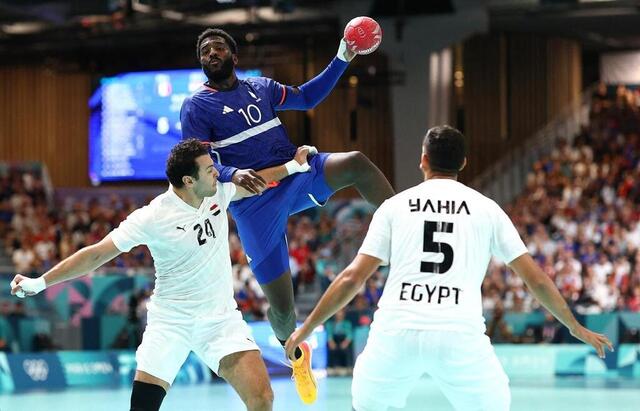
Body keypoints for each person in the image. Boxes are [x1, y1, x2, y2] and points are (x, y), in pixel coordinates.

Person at [285, 125, 614, 411]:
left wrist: (307, 327)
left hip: (397, 331)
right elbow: (535, 278)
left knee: (364, 405)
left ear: (423, 160)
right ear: (464, 163)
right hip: (460, 333)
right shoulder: (488, 210)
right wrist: (573, 326)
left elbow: (353, 276)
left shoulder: (393, 208)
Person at [10, 139, 315, 411]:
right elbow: (97, 253)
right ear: (188, 180)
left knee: (262, 398)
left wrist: (293, 166)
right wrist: (40, 282)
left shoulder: (219, 192)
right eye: (209, 169)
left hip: (220, 320)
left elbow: (257, 181)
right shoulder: (153, 216)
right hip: (171, 322)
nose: (217, 173)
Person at [180, 27, 395, 403]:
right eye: (204, 51)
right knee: (281, 310)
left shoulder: (260, 88)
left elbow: (308, 95)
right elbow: (202, 160)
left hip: (295, 172)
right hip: (252, 202)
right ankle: (296, 356)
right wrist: (231, 174)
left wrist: (343, 56)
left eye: (217, 48)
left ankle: (408, 224)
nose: (210, 53)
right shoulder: (196, 107)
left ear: (234, 57)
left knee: (357, 163)